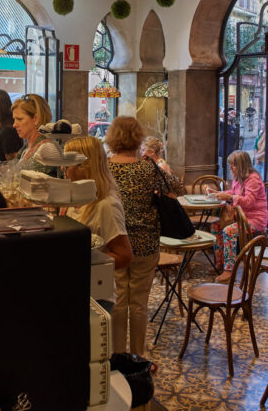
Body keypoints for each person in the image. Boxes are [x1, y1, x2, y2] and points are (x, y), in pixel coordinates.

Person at [105, 116, 184, 356]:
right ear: (137, 137)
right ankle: (138, 357)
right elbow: (178, 187)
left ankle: (119, 358)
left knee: (118, 302)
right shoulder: (148, 168)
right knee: (139, 304)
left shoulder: (105, 167)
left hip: (115, 242)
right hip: (146, 242)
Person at [63, 136, 132, 270]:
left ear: (84, 167)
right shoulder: (76, 199)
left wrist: (81, 260)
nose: (62, 168)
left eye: (67, 164)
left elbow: (124, 256)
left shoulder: (106, 205)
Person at [211, 150, 268, 283]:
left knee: (229, 231)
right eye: (230, 165)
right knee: (215, 225)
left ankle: (229, 270)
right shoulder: (239, 178)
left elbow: (249, 201)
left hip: (255, 219)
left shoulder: (253, 179)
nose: (231, 168)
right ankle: (220, 262)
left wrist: (229, 197)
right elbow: (233, 192)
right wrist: (218, 193)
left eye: (234, 165)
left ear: (242, 165)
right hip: (241, 218)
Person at [12, 94, 54, 174]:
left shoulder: (46, 149)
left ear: (36, 119)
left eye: (19, 119)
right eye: (14, 119)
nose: (14, 125)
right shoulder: (26, 148)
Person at [218, 109, 237, 177]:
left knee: (230, 177)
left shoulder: (233, 128)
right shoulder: (221, 124)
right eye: (230, 113)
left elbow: (235, 143)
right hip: (221, 156)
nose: (231, 115)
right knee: (219, 177)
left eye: (233, 113)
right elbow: (214, 117)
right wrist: (226, 113)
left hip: (230, 157)